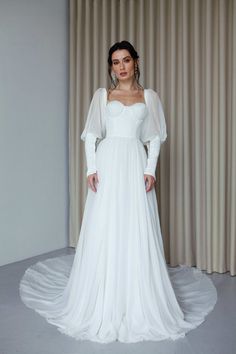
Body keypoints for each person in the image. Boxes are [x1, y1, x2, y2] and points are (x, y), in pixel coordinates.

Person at [19, 40, 217, 344]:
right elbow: (91, 137)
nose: (121, 66)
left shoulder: (149, 98)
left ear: (136, 62)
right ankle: (103, 299)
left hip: (135, 166)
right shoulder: (102, 96)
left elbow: (155, 139)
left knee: (135, 229)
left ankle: (136, 300)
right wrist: (91, 169)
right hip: (109, 166)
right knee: (106, 227)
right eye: (115, 62)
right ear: (111, 67)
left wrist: (150, 169)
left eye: (125, 60)